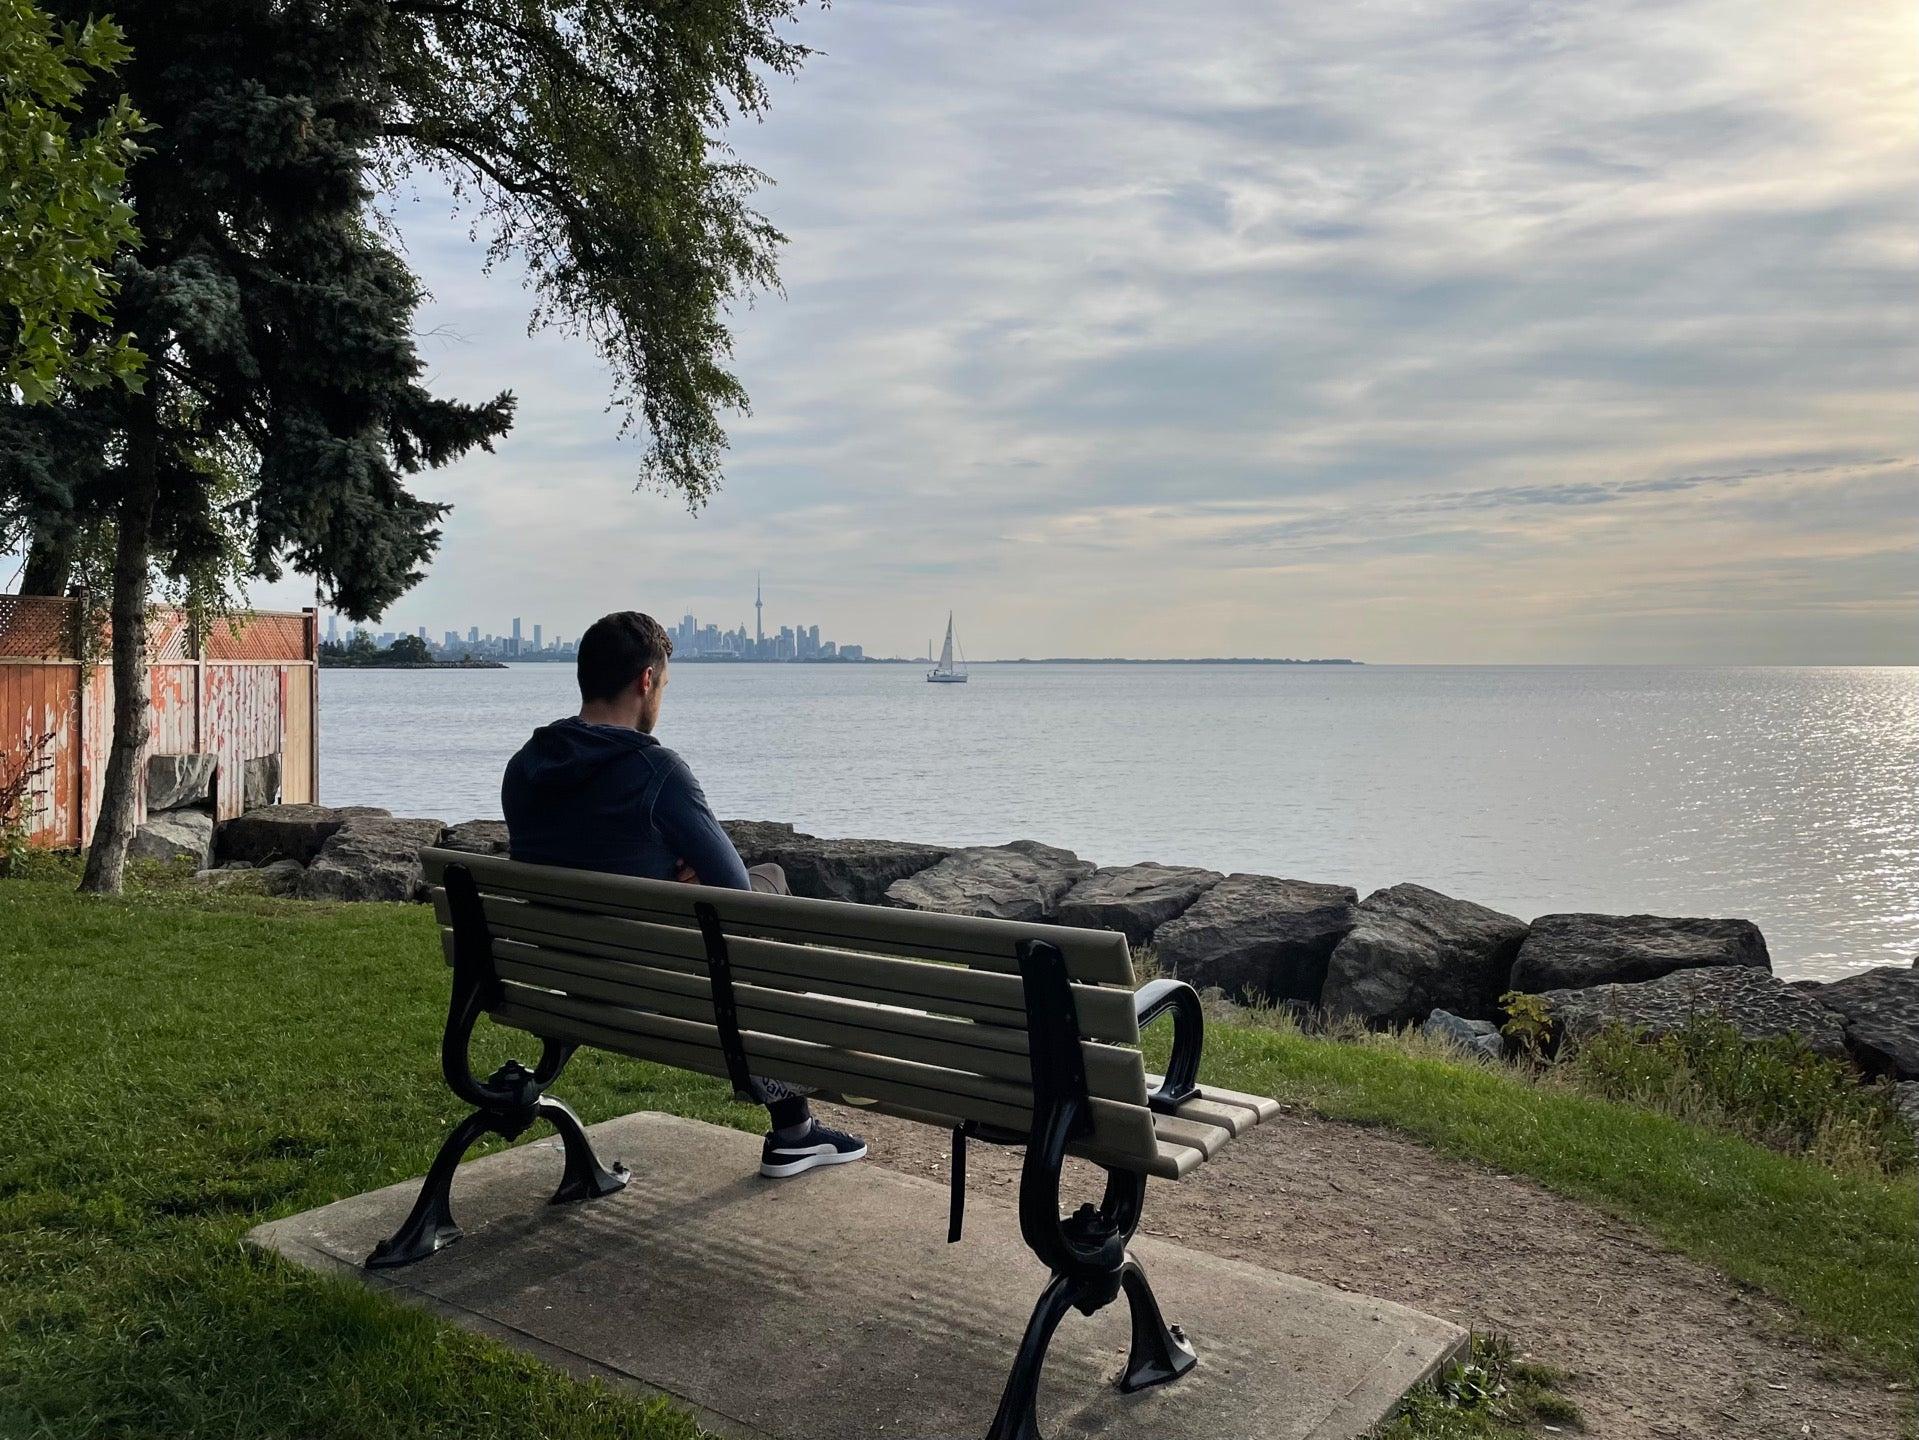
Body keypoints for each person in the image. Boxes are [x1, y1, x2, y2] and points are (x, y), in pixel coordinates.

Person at [501, 609, 867, 1179]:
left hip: (559, 980)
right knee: (768, 881)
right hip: (661, 986)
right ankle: (794, 1128)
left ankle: (795, 1126)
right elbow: (735, 888)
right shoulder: (656, 770)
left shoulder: (525, 767)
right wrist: (677, 879)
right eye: (664, 685)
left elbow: (578, 854)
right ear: (646, 680)